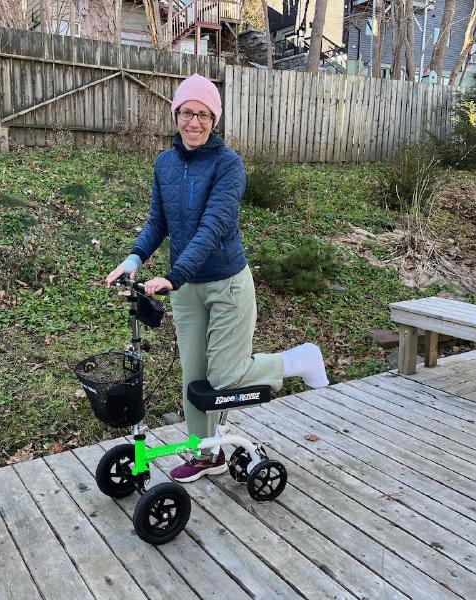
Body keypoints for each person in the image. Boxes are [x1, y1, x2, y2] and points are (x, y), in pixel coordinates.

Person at [106, 73, 328, 483]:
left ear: (215, 119)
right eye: (187, 112)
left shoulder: (229, 165)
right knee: (194, 380)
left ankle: (297, 360)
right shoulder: (164, 163)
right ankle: (208, 457)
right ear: (176, 113)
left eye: (204, 115)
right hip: (186, 291)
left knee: (225, 377)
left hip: (227, 285)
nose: (195, 122)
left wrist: (174, 275)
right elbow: (159, 222)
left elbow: (213, 227)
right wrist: (134, 258)